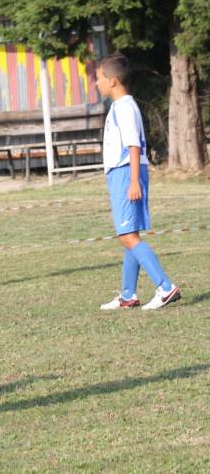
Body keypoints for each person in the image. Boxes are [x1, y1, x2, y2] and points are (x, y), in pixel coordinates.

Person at [95, 54, 182, 311]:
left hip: (126, 173)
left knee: (127, 236)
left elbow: (133, 145)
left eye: (98, 78)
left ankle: (165, 287)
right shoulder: (119, 107)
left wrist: (133, 181)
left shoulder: (124, 108)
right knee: (129, 235)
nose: (96, 83)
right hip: (121, 173)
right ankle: (128, 295)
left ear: (112, 81)